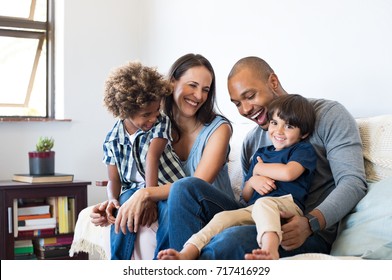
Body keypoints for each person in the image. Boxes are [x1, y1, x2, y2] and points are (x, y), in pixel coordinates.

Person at [164, 56, 368, 259]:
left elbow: (353, 182)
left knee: (228, 241)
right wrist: (253, 180)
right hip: (256, 216)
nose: (245, 110)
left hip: (301, 229)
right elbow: (247, 199)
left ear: (273, 82)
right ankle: (181, 259)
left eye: (250, 96)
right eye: (237, 104)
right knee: (185, 188)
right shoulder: (252, 141)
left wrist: (311, 223)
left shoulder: (329, 115)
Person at [89, 53, 235, 259]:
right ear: (172, 82)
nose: (199, 96)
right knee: (130, 201)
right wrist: (114, 202)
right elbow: (130, 173)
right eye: (192, 85)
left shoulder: (218, 129)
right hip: (176, 203)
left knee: (180, 193)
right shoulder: (152, 124)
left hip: (213, 208)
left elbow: (195, 186)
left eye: (205, 89)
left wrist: (146, 193)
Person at [158, 94, 317, 260]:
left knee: (265, 203)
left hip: (286, 207)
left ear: (303, 133)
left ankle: (270, 251)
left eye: (289, 126)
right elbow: (246, 195)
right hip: (253, 209)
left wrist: (259, 168)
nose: (279, 131)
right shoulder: (261, 153)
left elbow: (288, 173)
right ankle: (187, 253)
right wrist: (253, 180)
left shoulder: (302, 150)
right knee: (222, 217)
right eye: (275, 123)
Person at [100, 61, 186, 259]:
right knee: (123, 210)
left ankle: (164, 261)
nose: (153, 118)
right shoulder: (112, 139)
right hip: (132, 190)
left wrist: (150, 198)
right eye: (146, 114)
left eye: (156, 111)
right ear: (124, 111)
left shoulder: (160, 123)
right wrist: (113, 199)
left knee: (168, 212)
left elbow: (152, 158)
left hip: (165, 185)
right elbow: (114, 180)